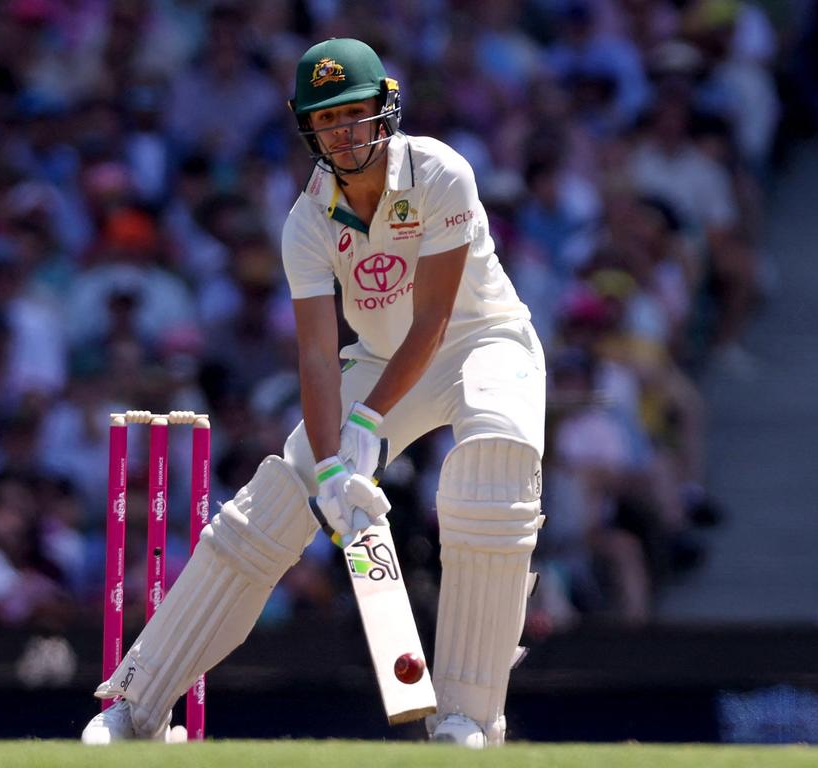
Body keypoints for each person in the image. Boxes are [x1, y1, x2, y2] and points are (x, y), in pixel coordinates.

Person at [81, 38, 546, 748]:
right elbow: (317, 355)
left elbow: (436, 319)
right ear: (308, 128)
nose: (345, 133)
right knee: (271, 507)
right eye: (328, 120)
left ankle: (468, 715)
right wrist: (330, 467)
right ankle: (136, 706)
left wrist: (366, 421)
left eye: (356, 114)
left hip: (483, 342)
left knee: (492, 465)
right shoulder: (307, 219)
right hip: (381, 358)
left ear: (385, 111)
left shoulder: (440, 172)